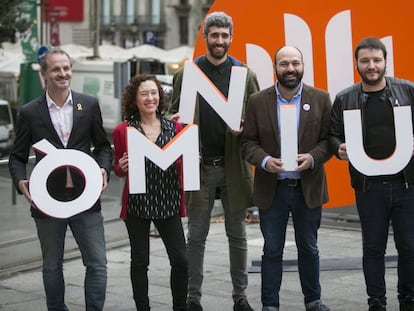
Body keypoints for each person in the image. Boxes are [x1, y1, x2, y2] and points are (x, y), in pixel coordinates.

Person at [8, 48, 112, 311]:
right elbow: (17, 157)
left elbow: (103, 147)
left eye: (66, 68)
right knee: (52, 266)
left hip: (86, 200)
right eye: (56, 69)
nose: (63, 73)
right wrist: (21, 182)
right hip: (47, 202)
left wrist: (103, 169)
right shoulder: (30, 113)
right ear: (44, 75)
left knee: (97, 263)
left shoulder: (88, 105)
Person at [169, 11, 260, 311]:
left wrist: (246, 123)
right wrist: (179, 133)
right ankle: (193, 298)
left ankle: (240, 297)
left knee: (238, 235)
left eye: (225, 36)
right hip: (200, 168)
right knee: (196, 236)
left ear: (231, 38)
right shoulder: (187, 74)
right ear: (205, 37)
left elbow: (258, 120)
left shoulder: (244, 75)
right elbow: (173, 118)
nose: (219, 41)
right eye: (214, 35)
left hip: (234, 166)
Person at [240, 46, 332, 311]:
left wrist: (313, 157)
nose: (290, 69)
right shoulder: (258, 101)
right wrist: (266, 162)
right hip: (273, 188)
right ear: (275, 68)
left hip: (308, 187)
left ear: (303, 65)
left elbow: (328, 140)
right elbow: (248, 143)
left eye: (295, 63)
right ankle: (270, 305)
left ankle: (313, 301)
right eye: (284, 64)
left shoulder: (321, 98)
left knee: (309, 248)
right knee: (271, 250)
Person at [329, 37, 414, 311]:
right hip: (369, 187)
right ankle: (376, 301)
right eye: (365, 60)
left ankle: (408, 298)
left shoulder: (408, 91)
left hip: (407, 185)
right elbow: (332, 134)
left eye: (376, 60)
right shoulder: (345, 98)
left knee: (410, 248)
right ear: (357, 64)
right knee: (373, 249)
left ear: (385, 61)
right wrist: (337, 147)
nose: (371, 66)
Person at [112, 74, 188, 311]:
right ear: (134, 99)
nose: (150, 98)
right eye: (144, 94)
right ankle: (143, 308)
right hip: (138, 203)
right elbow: (118, 168)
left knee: (181, 260)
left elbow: (180, 164)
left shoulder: (174, 127)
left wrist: (188, 160)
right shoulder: (123, 130)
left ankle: (180, 306)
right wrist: (120, 168)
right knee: (140, 262)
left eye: (154, 93)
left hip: (168, 200)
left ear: (160, 96)